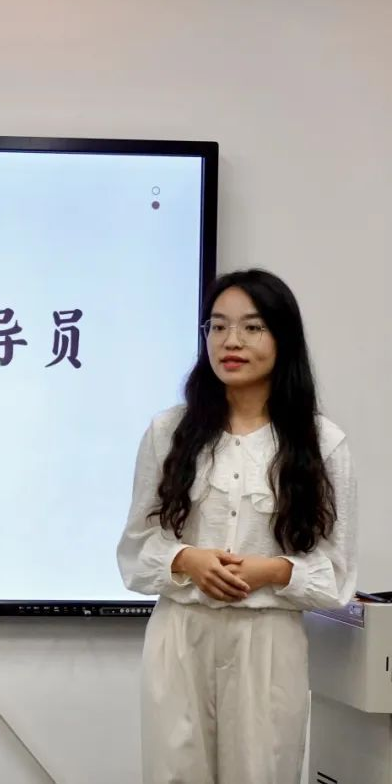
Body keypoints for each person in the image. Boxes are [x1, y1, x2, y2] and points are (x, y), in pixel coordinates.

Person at [116, 269, 358, 784]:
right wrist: (187, 559)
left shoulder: (322, 443)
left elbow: (337, 573)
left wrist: (272, 571)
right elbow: (135, 549)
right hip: (180, 634)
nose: (231, 341)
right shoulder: (168, 431)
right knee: (173, 774)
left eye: (252, 327)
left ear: (282, 338)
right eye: (218, 326)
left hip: (267, 639)